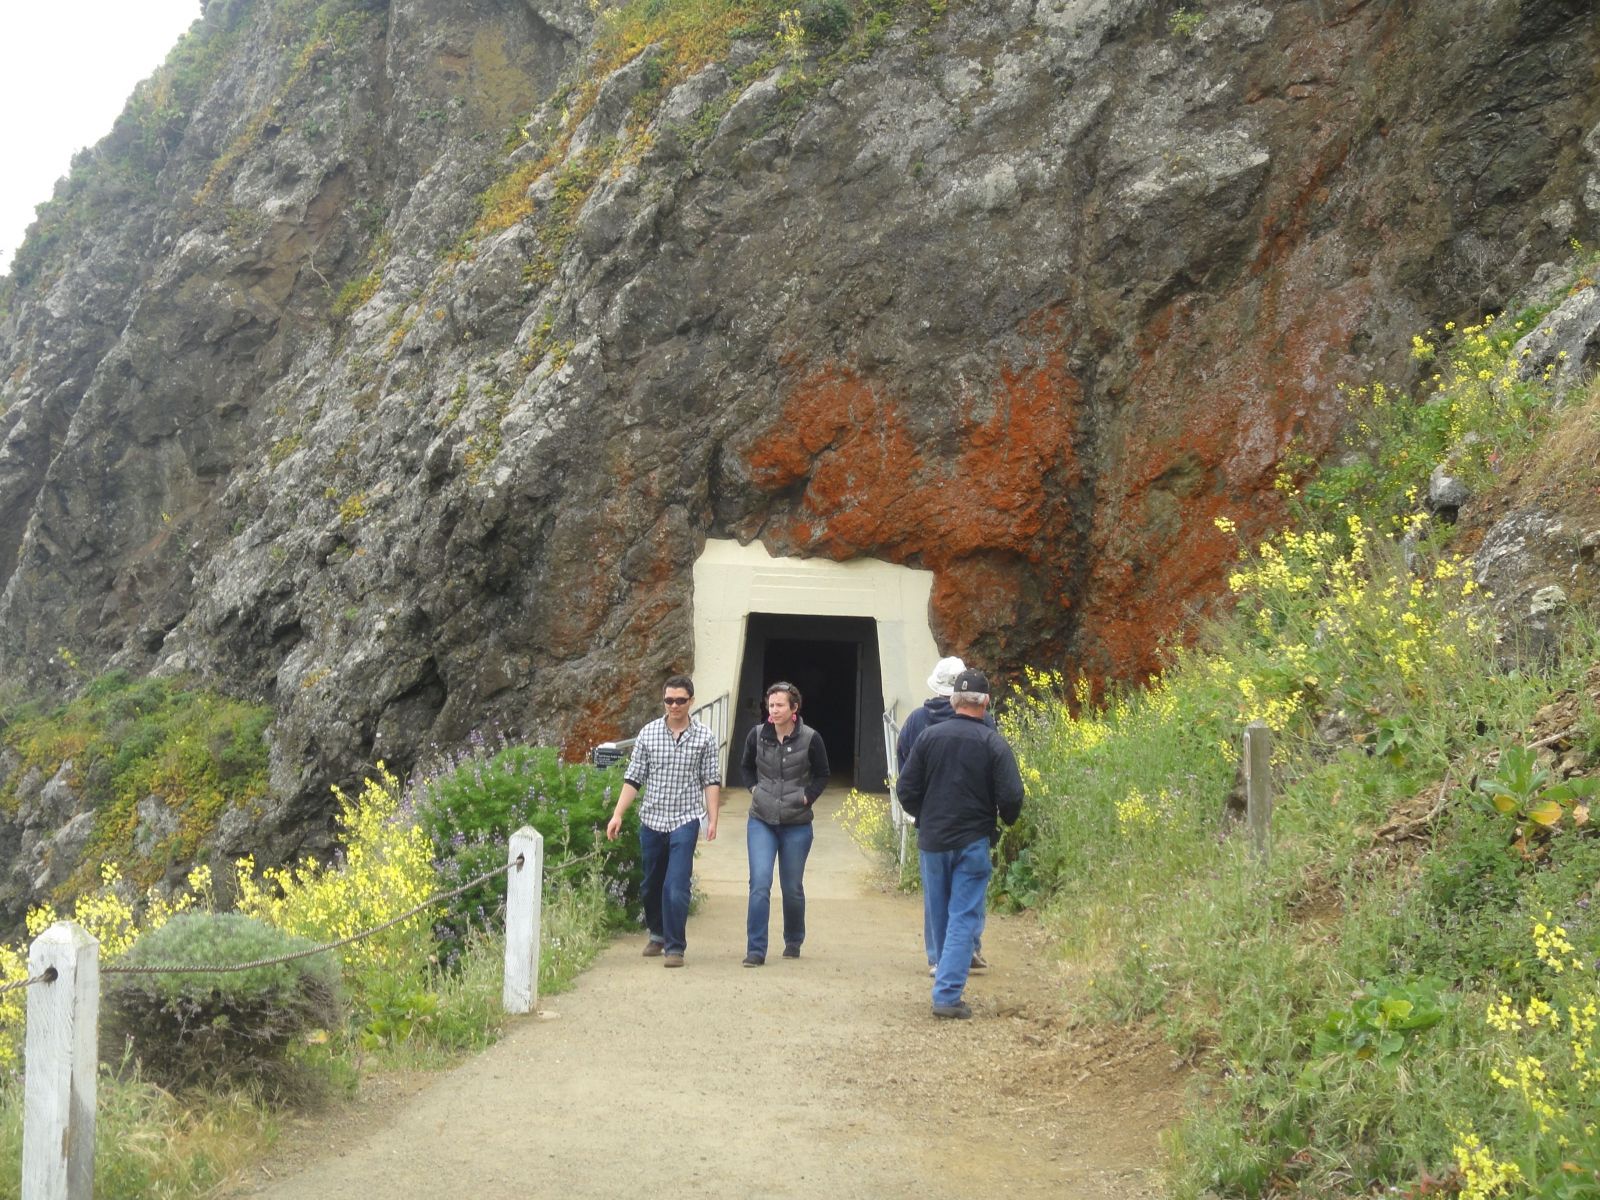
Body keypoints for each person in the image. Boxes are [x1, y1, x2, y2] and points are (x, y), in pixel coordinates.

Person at [896, 667, 1023, 1020]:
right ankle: (947, 995)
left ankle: (941, 972)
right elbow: (1012, 796)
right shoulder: (993, 742)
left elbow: (905, 790)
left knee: (938, 911)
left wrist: (925, 815)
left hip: (933, 840)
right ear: (985, 703)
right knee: (964, 914)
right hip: (972, 840)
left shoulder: (928, 738)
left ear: (954, 701)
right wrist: (1002, 819)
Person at [605, 674, 722, 968]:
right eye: (669, 700)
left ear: (691, 702)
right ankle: (656, 933)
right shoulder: (648, 733)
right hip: (652, 819)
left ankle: (675, 947)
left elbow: (711, 780)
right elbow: (634, 778)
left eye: (680, 700)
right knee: (651, 884)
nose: (674, 705)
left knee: (677, 885)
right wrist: (618, 814)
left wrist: (713, 819)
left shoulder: (705, 737)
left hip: (685, 818)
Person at [897, 655, 996, 975]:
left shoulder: (916, 722)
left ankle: (938, 957)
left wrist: (919, 812)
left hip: (932, 823)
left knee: (936, 894)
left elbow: (904, 771)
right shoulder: (985, 723)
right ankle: (969, 947)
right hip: (972, 823)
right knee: (970, 890)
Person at [739, 681, 830, 966]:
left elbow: (822, 773)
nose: (773, 710)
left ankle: (793, 939)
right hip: (761, 820)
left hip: (797, 822)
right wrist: (755, 790)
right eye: (771, 704)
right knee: (760, 883)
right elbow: (744, 767)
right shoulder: (756, 735)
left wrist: (807, 797)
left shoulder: (811, 738)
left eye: (780, 705)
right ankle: (755, 949)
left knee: (791, 887)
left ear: (794, 709)